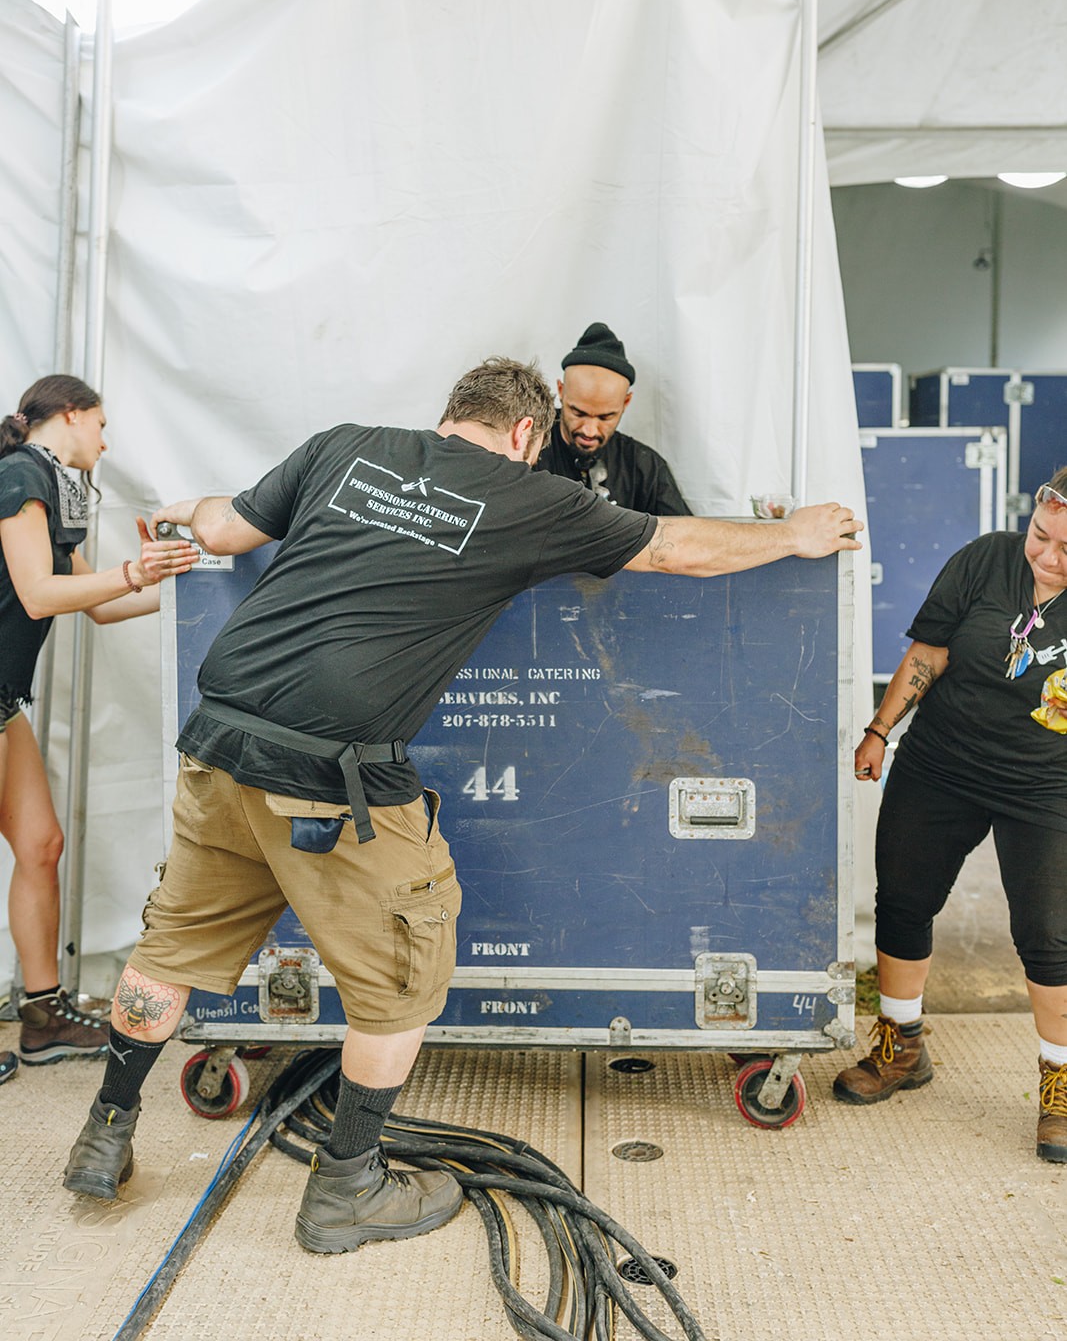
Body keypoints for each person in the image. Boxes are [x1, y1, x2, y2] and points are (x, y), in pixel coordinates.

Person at [63, 357, 861, 1251]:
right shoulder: (526, 497)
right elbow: (673, 548)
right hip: (333, 777)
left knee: (173, 947)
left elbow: (224, 526)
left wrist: (187, 509)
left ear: (451, 415)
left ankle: (104, 1137)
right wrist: (792, 534)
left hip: (220, 742)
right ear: (525, 435)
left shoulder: (346, 448)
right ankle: (346, 1190)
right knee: (404, 978)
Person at [835, 470, 1067, 1164]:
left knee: (1047, 934)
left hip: (1045, 784)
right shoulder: (984, 559)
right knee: (902, 899)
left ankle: (1058, 1085)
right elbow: (930, 653)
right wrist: (879, 730)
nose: (1048, 557)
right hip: (941, 761)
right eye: (1041, 536)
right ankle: (899, 1046)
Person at [0, 375, 198, 1071]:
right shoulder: (22, 471)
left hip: (3, 696)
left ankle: (42, 1015)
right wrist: (134, 573)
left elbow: (102, 604)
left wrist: (177, 578)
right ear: (72, 414)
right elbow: (36, 595)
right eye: (102, 424)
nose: (107, 441)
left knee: (42, 845)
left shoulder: (52, 488)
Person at [536, 322, 691, 515]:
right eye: (578, 413)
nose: (589, 430)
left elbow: (685, 537)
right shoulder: (527, 447)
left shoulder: (644, 467)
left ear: (626, 402)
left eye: (605, 417)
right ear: (561, 391)